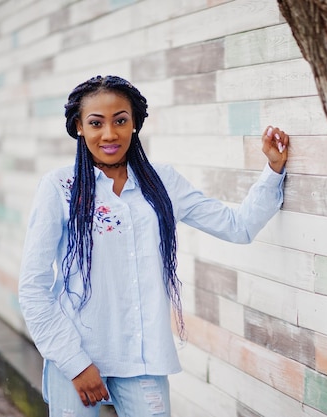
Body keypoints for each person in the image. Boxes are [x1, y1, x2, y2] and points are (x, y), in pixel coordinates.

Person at [18, 75, 289, 417]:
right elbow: (33, 288)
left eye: (120, 121)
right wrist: (74, 363)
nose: (109, 134)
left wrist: (273, 170)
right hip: (76, 357)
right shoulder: (60, 187)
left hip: (143, 360)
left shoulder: (162, 182)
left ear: (135, 124)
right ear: (79, 127)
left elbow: (238, 227)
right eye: (96, 123)